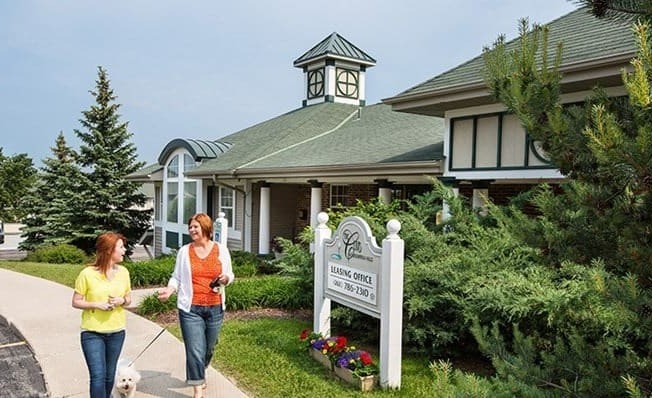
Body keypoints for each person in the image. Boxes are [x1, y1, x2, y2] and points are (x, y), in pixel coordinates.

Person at [157, 212, 234, 398]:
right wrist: (169, 290)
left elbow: (230, 275)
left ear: (205, 228)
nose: (191, 230)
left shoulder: (221, 250)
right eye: (190, 227)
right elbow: (176, 277)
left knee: (210, 346)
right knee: (194, 349)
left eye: (195, 227)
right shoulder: (185, 251)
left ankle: (201, 368)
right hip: (190, 308)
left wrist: (225, 279)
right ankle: (198, 388)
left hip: (215, 307)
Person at [71, 232, 132, 398]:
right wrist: (96, 304)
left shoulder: (124, 272)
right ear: (108, 251)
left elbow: (129, 299)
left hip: (117, 332)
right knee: (98, 377)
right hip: (92, 333)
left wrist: (122, 301)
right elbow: (76, 301)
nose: (124, 250)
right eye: (121, 247)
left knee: (109, 377)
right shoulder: (87, 274)